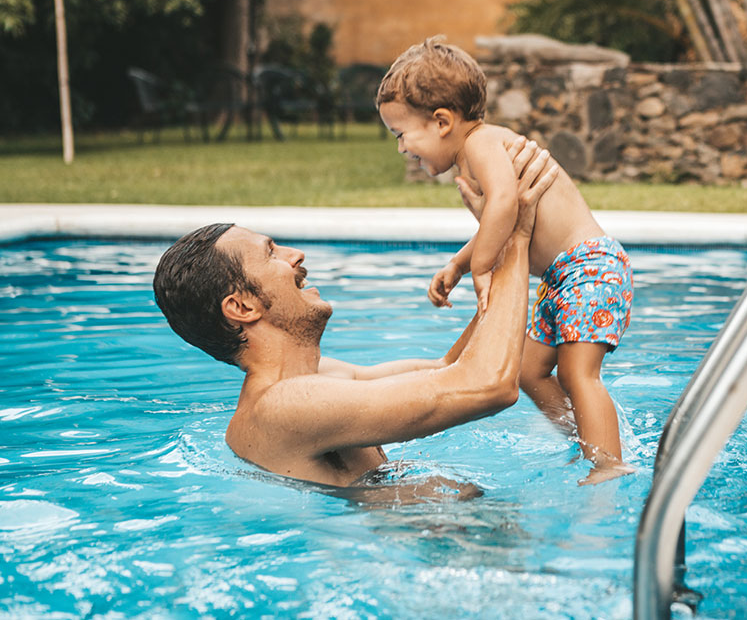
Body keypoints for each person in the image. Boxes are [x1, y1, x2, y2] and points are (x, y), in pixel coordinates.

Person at [152, 143, 558, 502]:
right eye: (271, 252)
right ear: (241, 308)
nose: (296, 256)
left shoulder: (317, 379)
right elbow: (489, 387)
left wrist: (500, 237)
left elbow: (451, 372)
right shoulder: (280, 407)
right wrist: (516, 236)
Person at [376, 37, 635, 484]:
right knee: (528, 371)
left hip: (588, 266)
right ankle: (587, 437)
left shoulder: (481, 145)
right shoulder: (479, 150)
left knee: (578, 373)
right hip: (562, 276)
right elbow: (499, 217)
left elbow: (504, 203)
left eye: (401, 134)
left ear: (441, 121)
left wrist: (480, 268)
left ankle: (609, 463)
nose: (401, 148)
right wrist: (460, 264)